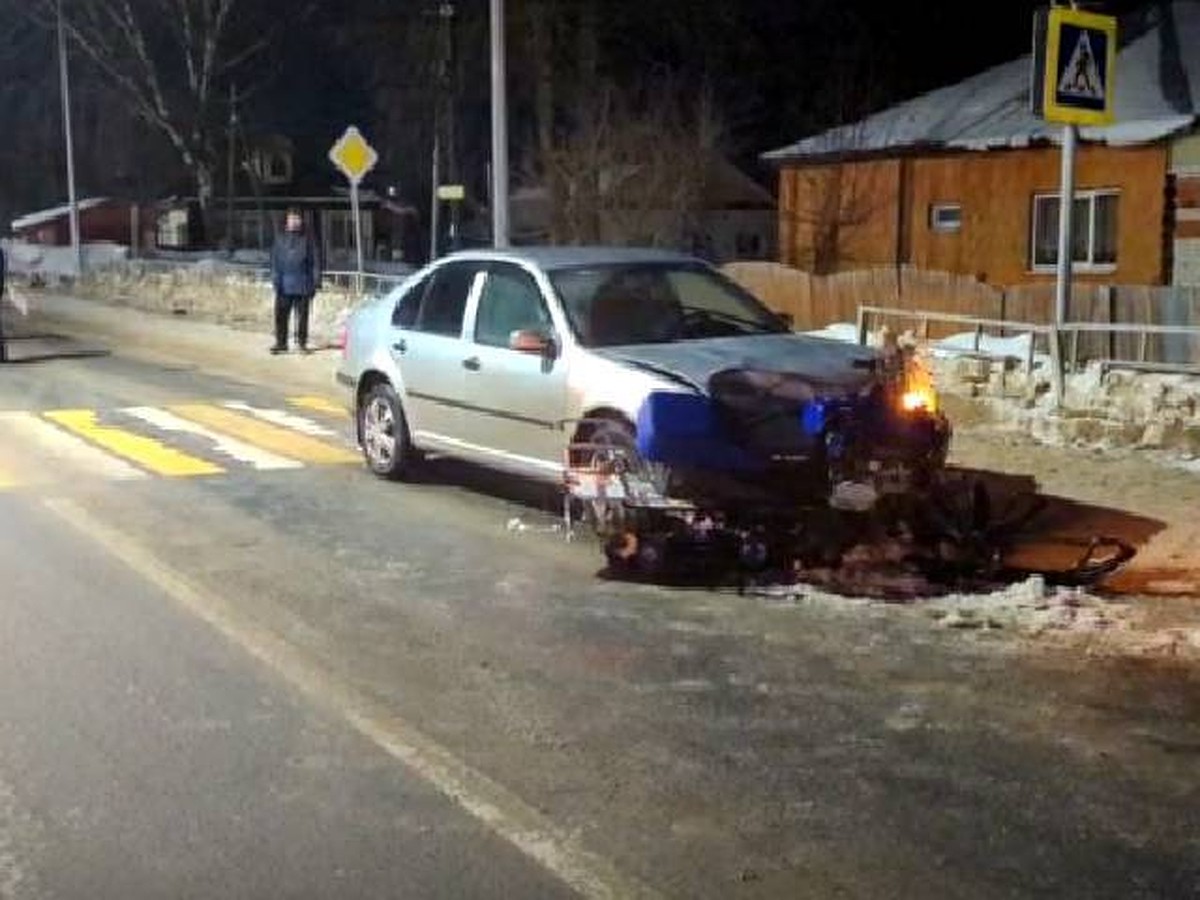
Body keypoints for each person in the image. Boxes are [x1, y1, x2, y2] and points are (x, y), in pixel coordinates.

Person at [269, 208, 320, 354]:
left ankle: (302, 343)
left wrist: (315, 281)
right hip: (283, 284)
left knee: (302, 317)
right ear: (287, 220)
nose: (294, 221)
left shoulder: (308, 239)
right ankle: (281, 343)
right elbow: (274, 260)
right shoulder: (280, 238)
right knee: (281, 315)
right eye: (292, 218)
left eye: (297, 218)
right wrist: (275, 278)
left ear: (301, 221)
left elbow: (315, 262)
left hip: (303, 283)